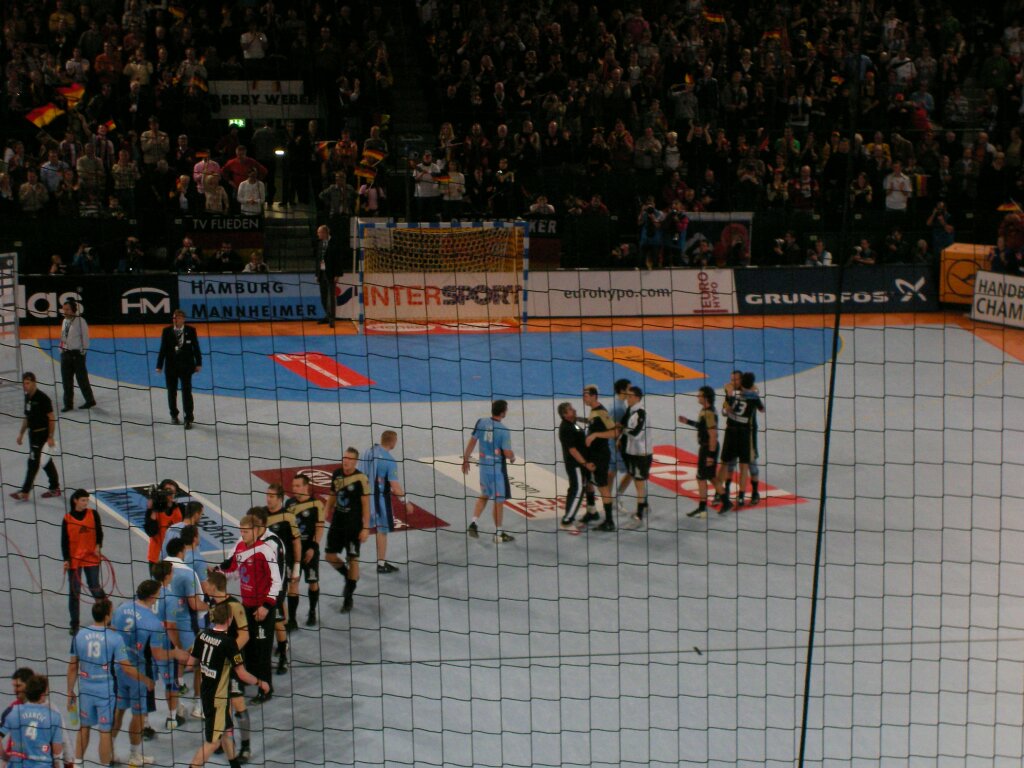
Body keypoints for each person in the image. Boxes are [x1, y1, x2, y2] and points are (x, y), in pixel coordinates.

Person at [67, 600, 152, 768]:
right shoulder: (115, 638)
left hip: (85, 689)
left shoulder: (80, 635)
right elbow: (126, 668)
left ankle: (77, 764)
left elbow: (72, 666)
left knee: (84, 727)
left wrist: (70, 691)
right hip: (104, 691)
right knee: (104, 731)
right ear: (107, 616)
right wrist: (145, 679)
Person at [111, 579, 187, 767]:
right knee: (138, 714)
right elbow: (158, 655)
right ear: (153, 596)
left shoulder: (121, 608)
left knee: (119, 710)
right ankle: (134, 755)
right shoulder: (154, 623)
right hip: (137, 672)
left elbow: (112, 632)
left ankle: (110, 750)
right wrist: (176, 653)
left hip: (119, 666)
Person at [183, 602, 269, 768]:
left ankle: (234, 764)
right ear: (230, 619)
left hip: (206, 693)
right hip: (218, 699)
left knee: (227, 731)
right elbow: (242, 674)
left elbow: (190, 664)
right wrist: (261, 683)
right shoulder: (229, 643)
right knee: (213, 743)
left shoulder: (202, 635)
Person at [217, 513, 280, 704]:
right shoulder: (240, 547)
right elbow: (232, 568)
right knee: (248, 647)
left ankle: (266, 689)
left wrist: (266, 607)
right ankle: (250, 680)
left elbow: (276, 581)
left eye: (245, 532)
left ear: (255, 531)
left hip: (262, 610)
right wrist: (217, 573)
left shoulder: (265, 551)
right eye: (241, 531)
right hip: (246, 606)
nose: (242, 535)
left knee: (262, 651)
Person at [203, 571, 253, 763]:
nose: (205, 586)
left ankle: (246, 747)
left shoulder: (234, 606)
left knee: (237, 701)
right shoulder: (212, 604)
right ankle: (223, 741)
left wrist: (226, 653)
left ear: (214, 586)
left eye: (207, 583)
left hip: (232, 662)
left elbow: (245, 635)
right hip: (217, 664)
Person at [160, 538, 208, 717]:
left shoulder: (159, 569)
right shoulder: (187, 573)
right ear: (182, 551)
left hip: (162, 628)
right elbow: (195, 604)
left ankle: (176, 709)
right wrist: (212, 606)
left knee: (171, 668)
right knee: (200, 664)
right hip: (185, 627)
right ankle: (198, 706)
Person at [359, 431, 414, 574]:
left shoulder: (367, 452)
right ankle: (381, 564)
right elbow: (395, 487)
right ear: (393, 442)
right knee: (382, 530)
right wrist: (406, 502)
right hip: (379, 501)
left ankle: (350, 556)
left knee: (361, 527)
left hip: (362, 498)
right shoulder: (390, 461)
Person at [461, 400, 516, 543]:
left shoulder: (481, 422)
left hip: (484, 469)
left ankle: (473, 523)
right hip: (497, 471)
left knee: (484, 495)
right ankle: (498, 534)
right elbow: (507, 452)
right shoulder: (504, 430)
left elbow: (472, 442)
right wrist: (512, 457)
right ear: (503, 413)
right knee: (499, 501)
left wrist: (465, 459)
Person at [323, 448, 370, 613]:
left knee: (353, 558)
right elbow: (332, 495)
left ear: (355, 462)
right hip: (337, 523)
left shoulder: (361, 479)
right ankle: (349, 577)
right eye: (345, 457)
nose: (346, 461)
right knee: (329, 556)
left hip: (353, 526)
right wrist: (326, 510)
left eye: (350, 459)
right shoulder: (336, 474)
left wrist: (366, 527)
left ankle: (348, 597)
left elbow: (366, 504)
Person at [261, 485, 300, 671]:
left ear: (280, 498)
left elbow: (296, 541)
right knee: (269, 610)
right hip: (263, 571)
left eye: (272, 496)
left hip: (281, 569)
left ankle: (283, 651)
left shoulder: (288, 517)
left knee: (276, 610)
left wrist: (297, 565)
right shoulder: (260, 515)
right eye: (267, 495)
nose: (268, 499)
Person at [680, 386, 729, 517]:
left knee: (702, 477)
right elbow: (703, 426)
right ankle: (724, 502)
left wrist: (710, 456)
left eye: (700, 395)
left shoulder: (708, 413)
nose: (697, 397)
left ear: (706, 398)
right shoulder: (706, 410)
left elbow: (713, 434)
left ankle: (704, 507)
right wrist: (688, 421)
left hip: (708, 449)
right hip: (707, 448)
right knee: (709, 476)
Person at [62, 490, 106, 635]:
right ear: (75, 500)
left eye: (87, 500)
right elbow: (64, 541)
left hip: (91, 557)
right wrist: (66, 559)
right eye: (83, 500)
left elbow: (99, 532)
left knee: (95, 587)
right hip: (74, 560)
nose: (85, 503)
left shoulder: (93, 514)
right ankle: (74, 624)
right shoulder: (67, 519)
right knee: (74, 592)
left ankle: (105, 616)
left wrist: (98, 546)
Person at [11, 373, 61, 502]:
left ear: (34, 383)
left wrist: (50, 436)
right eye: (24, 383)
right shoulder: (27, 397)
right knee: (45, 461)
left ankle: (25, 492)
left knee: (33, 462)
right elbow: (27, 417)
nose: (25, 386)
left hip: (42, 435)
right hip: (32, 435)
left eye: (27, 383)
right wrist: (21, 433)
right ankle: (55, 488)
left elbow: (51, 418)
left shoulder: (43, 398)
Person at [285, 473, 325, 626]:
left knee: (313, 581)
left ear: (306, 486)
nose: (294, 489)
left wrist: (313, 548)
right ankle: (292, 620)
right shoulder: (289, 504)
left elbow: (319, 528)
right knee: (293, 582)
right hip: (293, 552)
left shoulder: (316, 504)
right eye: (293, 486)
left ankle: (312, 611)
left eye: (298, 486)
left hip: (309, 550)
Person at [1, 674, 64, 768]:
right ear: (43, 694)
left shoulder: (13, 711)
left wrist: (5, 757)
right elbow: (57, 751)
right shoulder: (54, 717)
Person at [155, 309, 202, 428]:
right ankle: (174, 415)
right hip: (171, 367)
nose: (176, 319)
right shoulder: (166, 331)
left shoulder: (191, 330)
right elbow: (163, 349)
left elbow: (196, 347)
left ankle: (188, 418)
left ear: (183, 319)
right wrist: (159, 365)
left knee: (187, 392)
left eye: (178, 317)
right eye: (174, 317)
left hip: (186, 367)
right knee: (172, 392)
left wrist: (198, 363)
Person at [582, 385, 618, 531]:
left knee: (603, 487)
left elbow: (615, 432)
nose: (583, 398)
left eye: (585, 395)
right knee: (588, 482)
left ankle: (609, 521)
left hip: (600, 456)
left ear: (594, 396)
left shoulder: (601, 412)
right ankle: (592, 512)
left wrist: (595, 435)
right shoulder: (593, 411)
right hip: (592, 455)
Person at [556, 402, 593, 530]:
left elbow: (579, 421)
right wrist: (585, 464)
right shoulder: (567, 429)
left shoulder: (572, 423)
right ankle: (567, 520)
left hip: (578, 463)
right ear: (565, 415)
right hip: (575, 464)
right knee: (577, 489)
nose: (574, 410)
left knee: (576, 488)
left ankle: (572, 516)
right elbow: (572, 450)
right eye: (570, 409)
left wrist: (590, 420)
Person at [620, 386, 653, 527]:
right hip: (633, 453)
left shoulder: (641, 413)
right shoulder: (630, 410)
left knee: (639, 484)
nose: (627, 398)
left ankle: (639, 516)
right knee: (637, 481)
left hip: (641, 455)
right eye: (627, 396)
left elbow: (636, 434)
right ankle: (644, 506)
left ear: (637, 398)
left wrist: (622, 430)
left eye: (630, 396)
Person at [58, 299, 96, 412]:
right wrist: (61, 350)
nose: (65, 312)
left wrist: (82, 353)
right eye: (64, 309)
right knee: (66, 381)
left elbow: (85, 338)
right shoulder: (64, 321)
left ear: (73, 310)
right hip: (66, 354)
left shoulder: (81, 321)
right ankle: (68, 404)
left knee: (82, 379)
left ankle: (90, 400)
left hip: (77, 355)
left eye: (67, 309)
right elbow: (63, 337)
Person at [144, 482, 183, 575]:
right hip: (157, 558)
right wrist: (153, 510)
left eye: (172, 491)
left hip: (175, 556)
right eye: (167, 491)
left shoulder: (180, 509)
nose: (170, 494)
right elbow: (151, 532)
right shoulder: (153, 511)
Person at [610, 379, 633, 511]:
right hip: (615, 446)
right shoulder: (619, 408)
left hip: (612, 444)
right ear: (622, 390)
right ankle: (615, 499)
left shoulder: (619, 404)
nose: (631, 390)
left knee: (611, 473)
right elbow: (614, 429)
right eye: (629, 388)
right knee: (632, 472)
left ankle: (610, 501)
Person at [314, 224, 342, 328]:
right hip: (321, 274)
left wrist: (337, 274)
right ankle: (328, 316)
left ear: (325, 233)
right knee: (323, 297)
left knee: (331, 298)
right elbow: (318, 260)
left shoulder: (334, 243)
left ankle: (332, 320)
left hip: (331, 274)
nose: (318, 234)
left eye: (319, 232)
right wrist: (317, 274)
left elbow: (338, 260)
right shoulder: (320, 243)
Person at [0, 667, 35, 739]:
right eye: (14, 686)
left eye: (18, 686)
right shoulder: (12, 708)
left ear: (29, 685)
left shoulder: (46, 707)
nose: (15, 690)